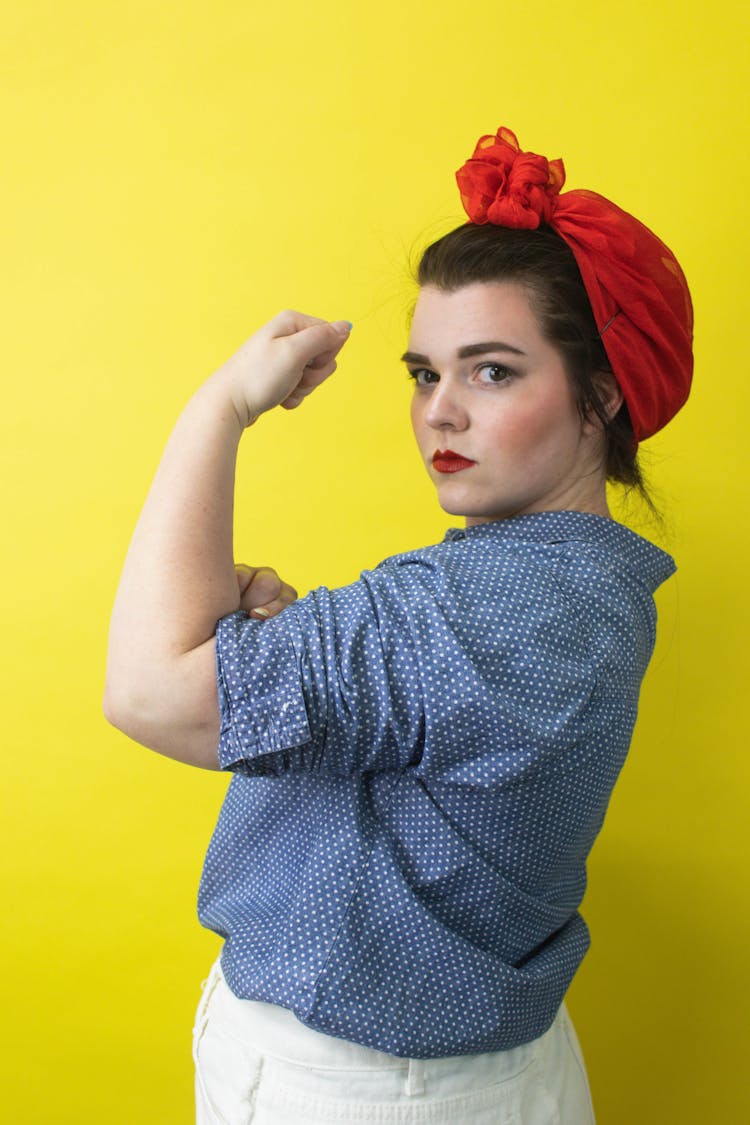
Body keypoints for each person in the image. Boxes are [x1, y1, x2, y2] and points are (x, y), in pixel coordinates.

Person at [103, 126, 693, 1123]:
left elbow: (149, 694)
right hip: (459, 1069)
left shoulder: (483, 611)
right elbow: (424, 734)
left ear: (601, 396)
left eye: (492, 371)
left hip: (365, 1089)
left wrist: (216, 410)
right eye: (426, 373)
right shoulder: (582, 590)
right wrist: (268, 665)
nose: (439, 414)